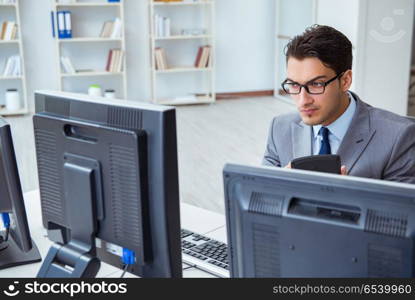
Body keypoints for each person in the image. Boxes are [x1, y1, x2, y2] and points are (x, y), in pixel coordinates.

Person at [263, 25, 415, 183]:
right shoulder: (279, 128)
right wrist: (282, 185)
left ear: (345, 81)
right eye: (294, 85)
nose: (303, 100)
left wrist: (344, 195)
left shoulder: (399, 137)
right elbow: (258, 195)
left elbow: (400, 207)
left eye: (316, 84)